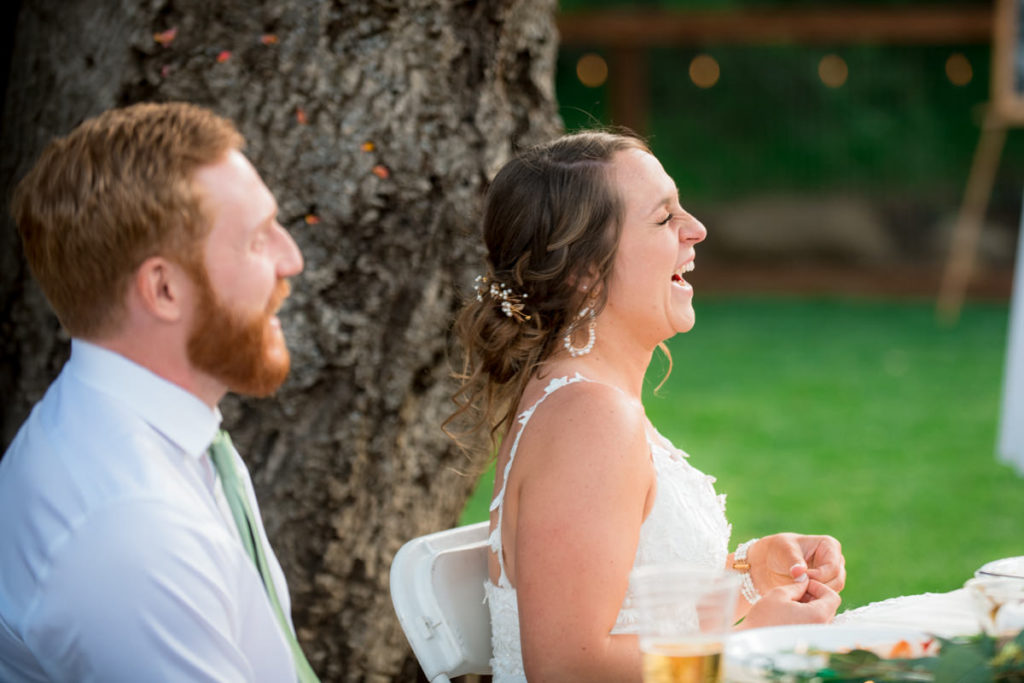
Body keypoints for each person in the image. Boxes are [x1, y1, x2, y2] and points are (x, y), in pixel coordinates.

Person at [447, 130, 847, 682]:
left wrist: (750, 577)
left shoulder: (586, 401)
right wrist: (755, 644)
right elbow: (566, 668)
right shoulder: (589, 420)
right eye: (664, 219)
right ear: (584, 273)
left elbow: (633, 609)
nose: (696, 229)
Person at [0, 102, 319, 681]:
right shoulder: (132, 530)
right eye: (256, 240)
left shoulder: (159, 433)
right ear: (164, 289)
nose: (291, 259)